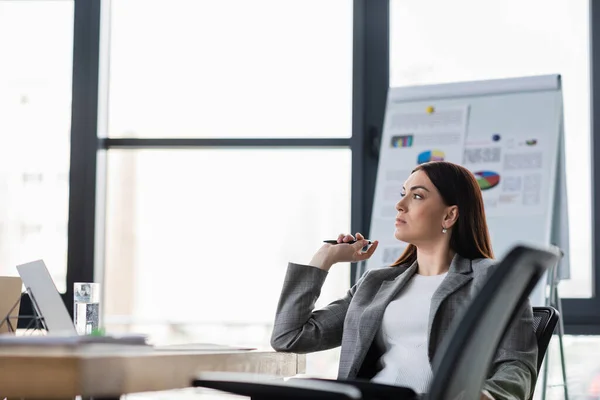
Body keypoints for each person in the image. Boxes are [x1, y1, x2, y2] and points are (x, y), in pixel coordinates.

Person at [270, 161, 537, 400]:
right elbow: (290, 337)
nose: (400, 204)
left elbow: (517, 363)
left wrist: (490, 395)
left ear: (449, 215)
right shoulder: (375, 283)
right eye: (402, 194)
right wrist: (324, 259)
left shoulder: (489, 277)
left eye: (417, 196)